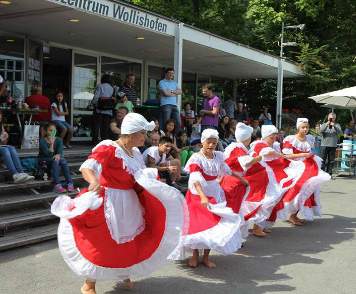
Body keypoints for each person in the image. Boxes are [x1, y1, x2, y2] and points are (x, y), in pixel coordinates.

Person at [50, 113, 187, 292]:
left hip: (130, 203)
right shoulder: (109, 148)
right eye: (142, 133)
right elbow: (87, 167)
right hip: (110, 203)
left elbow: (138, 175)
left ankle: (124, 272)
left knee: (130, 242)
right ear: (130, 133)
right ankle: (89, 284)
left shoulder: (136, 153)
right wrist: (93, 181)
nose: (145, 137)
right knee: (102, 243)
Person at [172, 129, 246, 268]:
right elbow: (195, 179)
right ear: (202, 142)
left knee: (213, 225)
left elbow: (227, 171)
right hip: (197, 195)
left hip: (214, 192)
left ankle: (206, 257)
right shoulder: (196, 158)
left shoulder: (218, 156)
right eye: (208, 142)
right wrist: (202, 197)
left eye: (214, 142)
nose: (211, 145)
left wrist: (241, 178)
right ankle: (195, 255)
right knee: (198, 226)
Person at [242, 125, 290, 237]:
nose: (274, 140)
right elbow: (266, 153)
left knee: (270, 200)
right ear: (265, 136)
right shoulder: (259, 144)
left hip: (269, 176)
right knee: (264, 200)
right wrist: (282, 155)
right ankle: (256, 227)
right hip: (260, 177)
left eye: (275, 137)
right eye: (271, 137)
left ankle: (261, 225)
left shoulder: (273, 145)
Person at [281, 118, 331, 226]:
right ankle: (292, 215)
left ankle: (294, 215)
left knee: (310, 188)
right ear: (298, 127)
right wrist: (302, 155)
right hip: (295, 166)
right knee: (299, 189)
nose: (305, 129)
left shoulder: (309, 139)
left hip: (309, 167)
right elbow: (286, 156)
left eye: (307, 127)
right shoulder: (291, 139)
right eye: (303, 127)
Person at [221, 123, 264, 237]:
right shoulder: (238, 149)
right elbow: (246, 162)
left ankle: (232, 237)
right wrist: (259, 157)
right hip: (235, 181)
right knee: (235, 209)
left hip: (230, 180)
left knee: (234, 209)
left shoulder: (232, 146)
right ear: (247, 138)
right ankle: (232, 237)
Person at [0, 109, 35, 184]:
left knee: (11, 147)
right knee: (4, 150)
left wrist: (5, 137)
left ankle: (21, 173)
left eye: (0, 119)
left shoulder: (0, 126)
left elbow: (3, 143)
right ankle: (15, 174)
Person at [38, 123, 74, 194]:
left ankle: (69, 183)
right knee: (56, 160)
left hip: (54, 159)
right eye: (50, 130)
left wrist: (58, 154)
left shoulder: (59, 140)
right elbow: (48, 154)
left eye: (53, 131)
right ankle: (56, 184)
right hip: (43, 160)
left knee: (62, 160)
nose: (52, 132)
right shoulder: (42, 141)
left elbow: (60, 151)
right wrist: (51, 144)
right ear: (45, 131)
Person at [91, 74, 118, 144]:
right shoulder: (112, 88)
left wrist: (93, 104)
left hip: (99, 109)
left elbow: (96, 97)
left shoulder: (100, 86)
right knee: (105, 126)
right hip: (109, 110)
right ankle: (104, 140)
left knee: (97, 124)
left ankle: (95, 140)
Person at [158, 68, 182, 132]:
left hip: (174, 105)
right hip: (165, 104)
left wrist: (170, 91)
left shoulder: (174, 83)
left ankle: (176, 137)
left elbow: (180, 92)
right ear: (166, 73)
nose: (171, 74)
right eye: (169, 73)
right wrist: (174, 92)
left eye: (172, 73)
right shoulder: (162, 82)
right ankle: (165, 137)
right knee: (166, 122)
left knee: (178, 122)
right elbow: (165, 93)